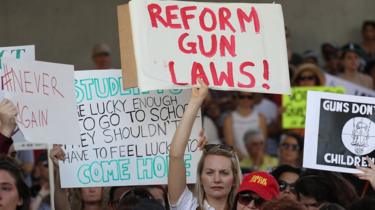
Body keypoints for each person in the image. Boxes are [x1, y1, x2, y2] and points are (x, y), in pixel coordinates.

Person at [168, 79, 242, 210]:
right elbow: (175, 155)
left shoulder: (247, 207)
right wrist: (196, 101)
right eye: (209, 172)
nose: (217, 179)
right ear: (200, 178)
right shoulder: (188, 206)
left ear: (235, 178)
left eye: (224, 173)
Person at [223, 92, 267, 160]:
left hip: (256, 160)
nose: (245, 99)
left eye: (249, 97)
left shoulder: (260, 118)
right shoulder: (229, 118)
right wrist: (243, 159)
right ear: (237, 98)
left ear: (253, 99)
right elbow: (230, 144)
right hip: (237, 160)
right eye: (242, 97)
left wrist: (255, 159)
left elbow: (263, 143)